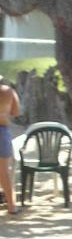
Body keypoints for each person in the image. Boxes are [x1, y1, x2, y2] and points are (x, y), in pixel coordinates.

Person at [0, 78, 21, 215]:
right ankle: (12, 206)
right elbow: (16, 113)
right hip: (2, 132)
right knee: (4, 172)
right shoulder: (8, 91)